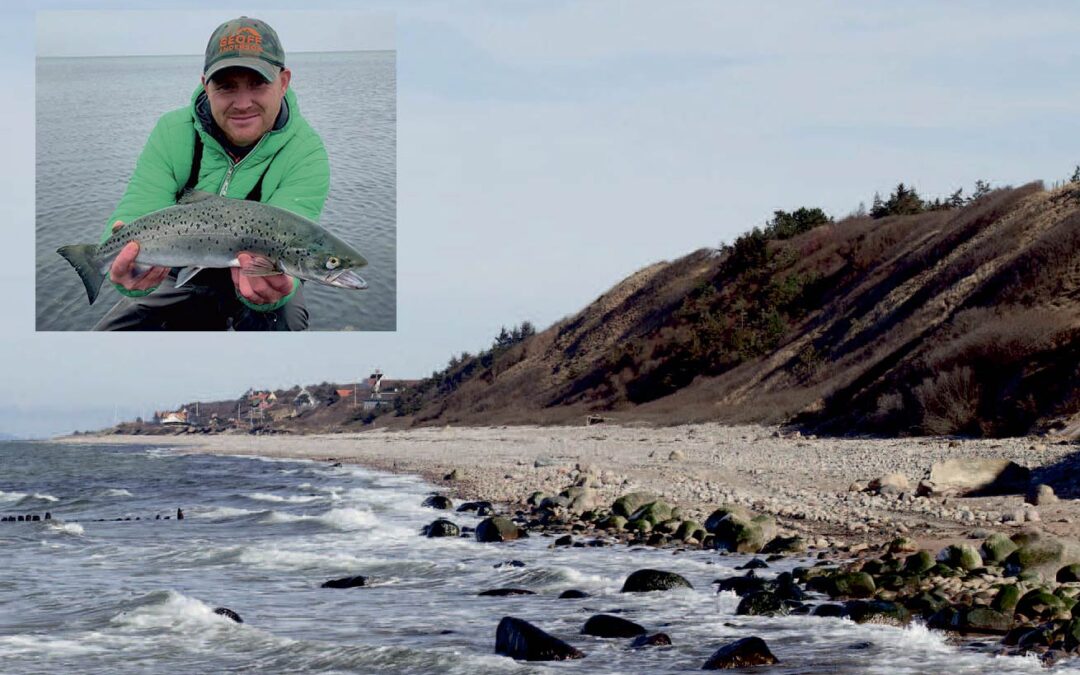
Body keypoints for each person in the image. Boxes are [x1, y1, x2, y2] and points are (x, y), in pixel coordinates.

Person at [94, 16, 329, 330]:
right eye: (226, 86)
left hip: (264, 272)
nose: (242, 103)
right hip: (177, 267)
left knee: (283, 318)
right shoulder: (172, 132)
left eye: (258, 83)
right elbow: (138, 211)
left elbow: (295, 239)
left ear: (283, 82)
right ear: (206, 85)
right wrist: (127, 274)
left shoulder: (306, 152)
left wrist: (275, 292)